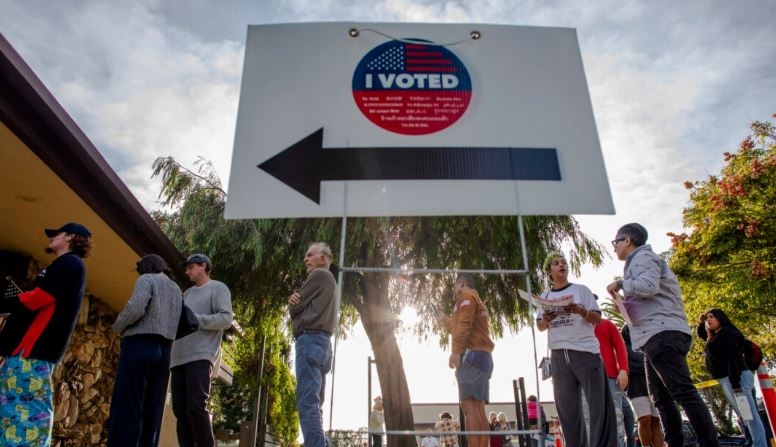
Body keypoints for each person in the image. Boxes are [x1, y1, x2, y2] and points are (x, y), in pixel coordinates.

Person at [606, 223, 719, 447]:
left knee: (682, 392)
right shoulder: (636, 263)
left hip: (662, 333)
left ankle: (709, 443)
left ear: (627, 241)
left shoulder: (643, 258)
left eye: (615, 242)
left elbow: (647, 286)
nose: (615, 247)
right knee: (661, 398)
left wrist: (621, 284)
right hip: (651, 336)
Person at [0, 222, 92, 446]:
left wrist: (4, 303)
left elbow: (38, 298)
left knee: (29, 409)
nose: (51, 238)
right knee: (11, 406)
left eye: (56, 234)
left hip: (33, 351)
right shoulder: (60, 265)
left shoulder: (71, 264)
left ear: (70, 237)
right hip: (23, 351)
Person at [536, 251, 617, 447]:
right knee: (568, 409)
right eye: (556, 263)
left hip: (585, 352)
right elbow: (539, 325)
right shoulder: (545, 296)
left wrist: (581, 311)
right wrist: (546, 319)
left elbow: (597, 318)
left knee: (598, 406)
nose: (561, 265)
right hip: (558, 355)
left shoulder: (582, 290)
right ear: (549, 272)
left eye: (563, 262)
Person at [107, 254, 183, 447]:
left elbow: (135, 308)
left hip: (140, 344)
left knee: (129, 401)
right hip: (165, 350)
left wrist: (118, 326)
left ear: (146, 267)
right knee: (152, 406)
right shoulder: (176, 289)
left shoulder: (147, 279)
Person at [170, 253, 233, 447]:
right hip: (178, 357)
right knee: (180, 410)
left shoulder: (218, 288)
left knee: (196, 406)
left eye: (190, 267)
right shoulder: (187, 294)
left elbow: (225, 319)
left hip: (200, 355)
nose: (187, 271)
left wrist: (197, 319)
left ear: (203, 266)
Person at [437, 274, 495, 447]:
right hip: (482, 357)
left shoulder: (466, 298)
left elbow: (464, 325)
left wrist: (455, 352)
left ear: (461, 284)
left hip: (471, 357)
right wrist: (446, 321)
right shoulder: (476, 300)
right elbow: (461, 326)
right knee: (478, 407)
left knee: (469, 407)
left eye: (455, 286)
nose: (455, 290)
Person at [288, 242, 337, 447]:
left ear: (323, 259)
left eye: (310, 255)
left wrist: (292, 304)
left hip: (309, 340)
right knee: (316, 403)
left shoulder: (319, 275)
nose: (305, 259)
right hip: (324, 345)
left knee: (307, 401)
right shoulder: (331, 282)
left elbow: (294, 308)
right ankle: (321, 442)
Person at [697, 309, 767, 447]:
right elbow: (703, 335)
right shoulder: (717, 335)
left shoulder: (727, 333)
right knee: (746, 416)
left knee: (750, 416)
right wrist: (700, 323)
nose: (708, 320)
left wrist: (735, 383)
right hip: (730, 379)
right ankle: (754, 443)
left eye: (712, 317)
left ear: (720, 318)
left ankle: (760, 445)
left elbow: (732, 357)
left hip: (735, 378)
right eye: (707, 319)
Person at [621, 324, 662, 447]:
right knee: (644, 419)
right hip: (636, 388)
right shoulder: (624, 348)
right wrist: (646, 369)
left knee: (656, 420)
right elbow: (628, 367)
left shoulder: (645, 345)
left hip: (653, 386)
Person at [594, 318, 629, 447]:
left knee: (616, 419)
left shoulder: (607, 324)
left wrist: (623, 369)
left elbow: (620, 346)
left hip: (611, 378)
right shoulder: (577, 327)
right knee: (589, 421)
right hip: (586, 380)